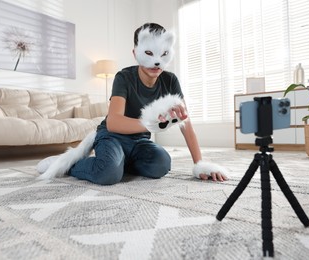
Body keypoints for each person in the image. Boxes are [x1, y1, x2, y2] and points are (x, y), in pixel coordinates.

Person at [37, 22, 228, 185]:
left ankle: (119, 162)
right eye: (149, 53)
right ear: (135, 52)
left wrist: (199, 164)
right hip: (111, 136)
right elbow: (114, 122)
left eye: (162, 54)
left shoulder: (170, 81)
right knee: (108, 173)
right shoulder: (124, 77)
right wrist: (150, 123)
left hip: (140, 141)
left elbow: (186, 124)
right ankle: (68, 164)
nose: (156, 62)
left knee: (161, 164)